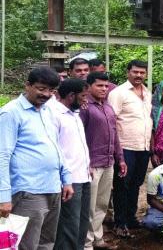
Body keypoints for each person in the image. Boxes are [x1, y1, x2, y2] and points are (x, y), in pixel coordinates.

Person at [0, 67, 73, 250]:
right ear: (28, 86)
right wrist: (3, 197)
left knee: (47, 242)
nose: (46, 94)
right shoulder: (11, 113)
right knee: (26, 244)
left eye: (51, 90)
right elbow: (2, 155)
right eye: (41, 89)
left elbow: (56, 146)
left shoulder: (47, 111)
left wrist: (66, 179)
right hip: (28, 191)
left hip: (52, 187)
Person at [80, 72, 127, 250]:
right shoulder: (85, 108)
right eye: (99, 85)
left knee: (101, 203)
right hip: (92, 164)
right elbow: (80, 137)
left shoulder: (108, 107)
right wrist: (86, 162)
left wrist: (120, 159)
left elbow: (115, 136)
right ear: (89, 86)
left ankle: (98, 238)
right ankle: (86, 243)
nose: (104, 89)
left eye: (106, 86)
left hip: (108, 163)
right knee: (89, 206)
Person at [108, 60, 152, 237]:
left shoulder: (147, 93)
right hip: (125, 147)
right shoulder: (118, 93)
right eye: (135, 72)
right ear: (128, 72)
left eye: (142, 72)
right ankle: (120, 223)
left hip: (143, 146)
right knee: (122, 185)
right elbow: (112, 121)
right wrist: (117, 152)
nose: (139, 75)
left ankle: (131, 217)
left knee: (136, 184)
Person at [53, 79, 91, 250]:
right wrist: (64, 179)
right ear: (70, 96)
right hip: (69, 179)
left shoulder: (74, 114)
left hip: (83, 176)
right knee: (69, 225)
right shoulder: (54, 115)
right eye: (83, 96)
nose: (85, 100)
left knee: (82, 222)